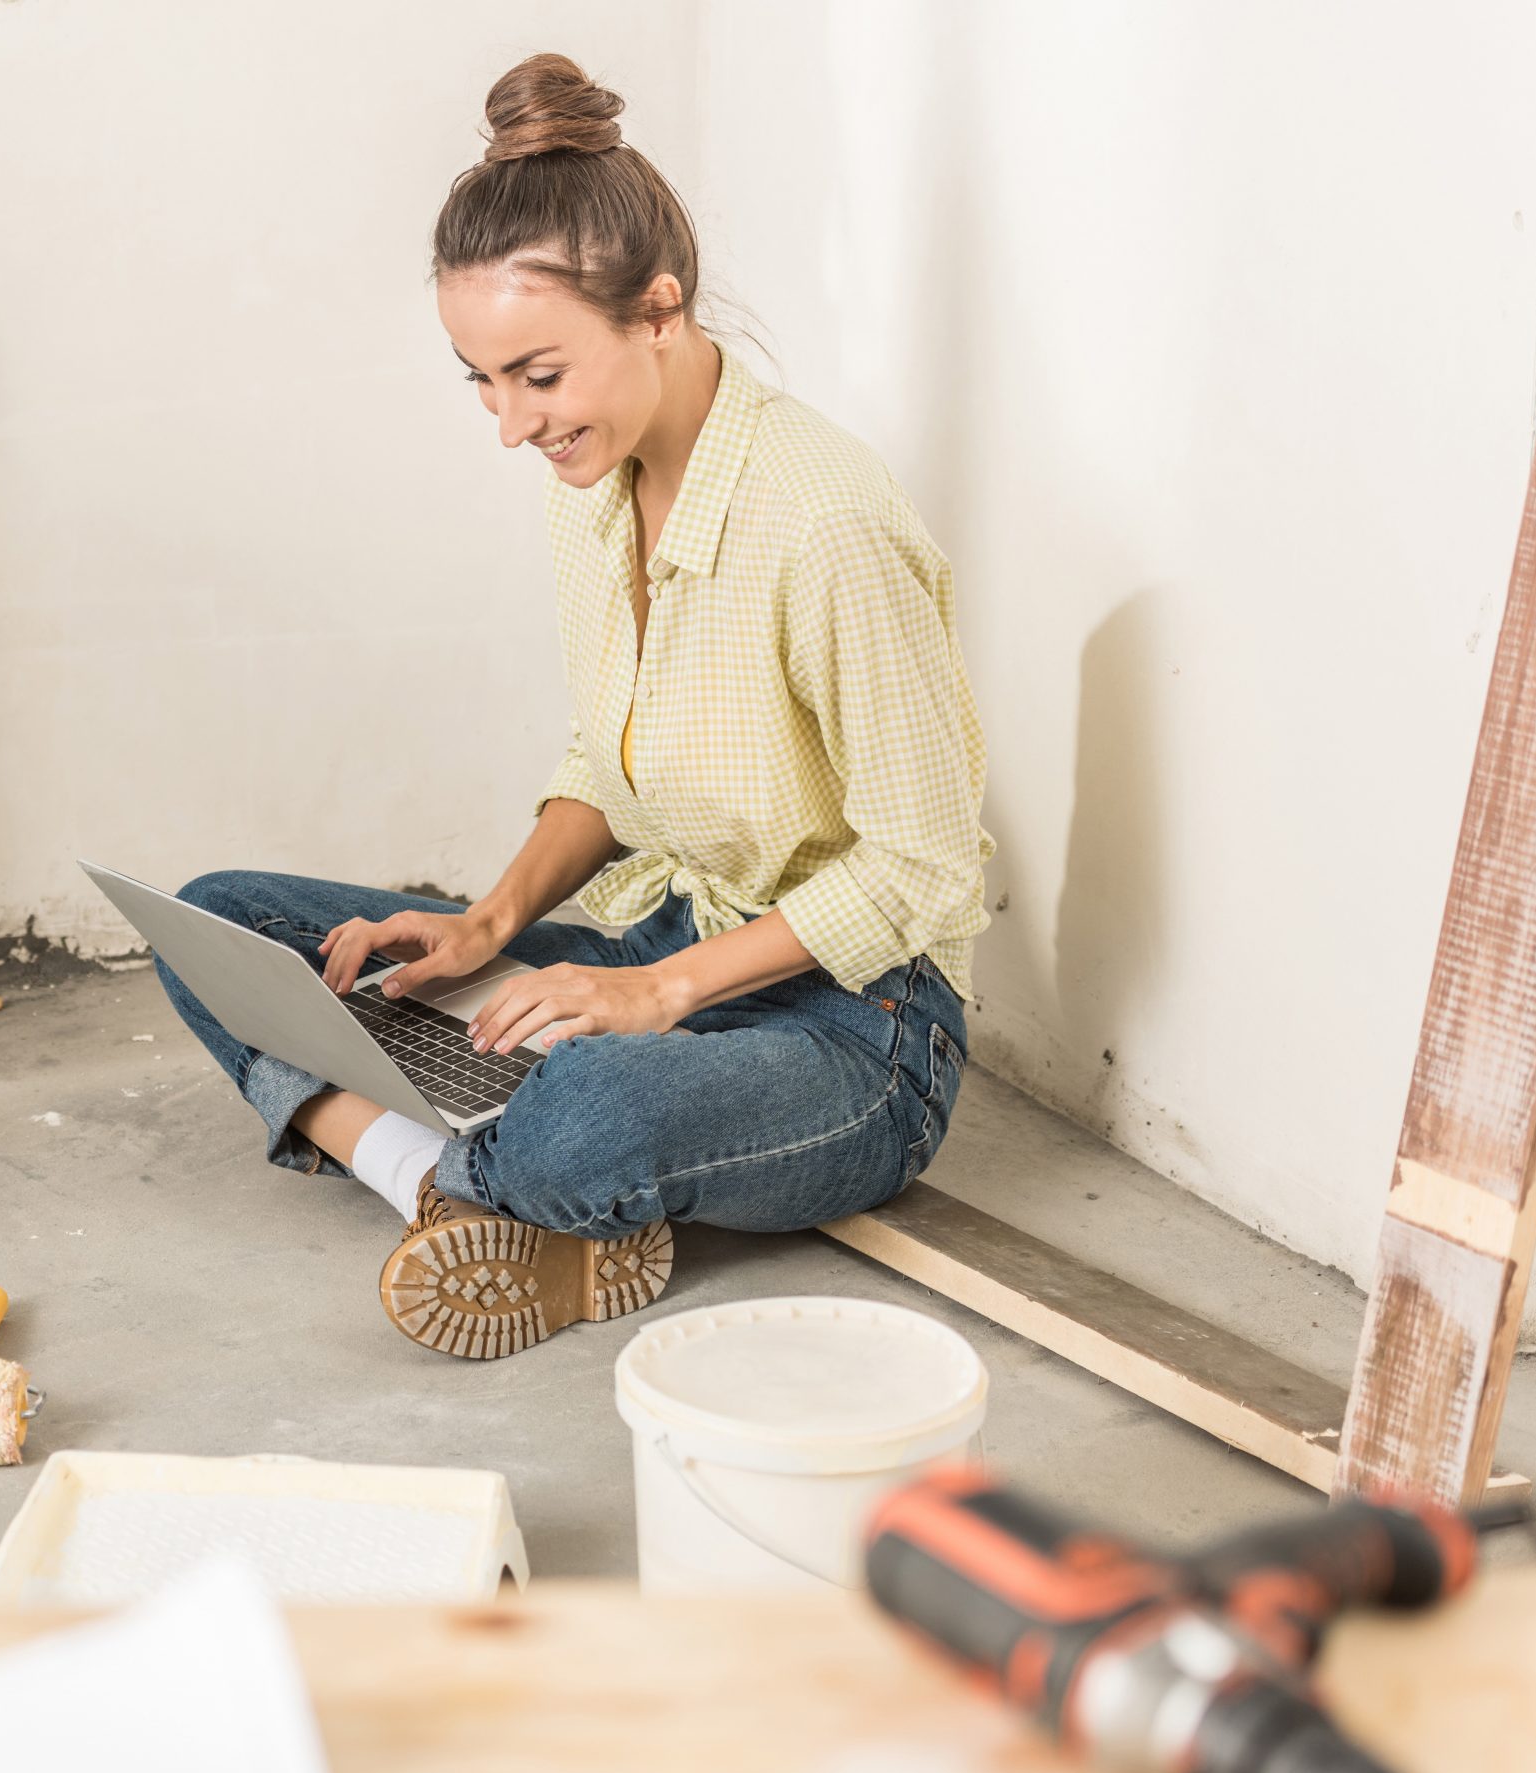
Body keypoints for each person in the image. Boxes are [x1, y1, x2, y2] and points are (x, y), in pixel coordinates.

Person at [157, 53, 994, 1361]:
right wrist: (486, 923)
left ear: (660, 311)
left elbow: (921, 868)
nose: (509, 425)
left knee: (581, 1112)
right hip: (663, 945)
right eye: (480, 380)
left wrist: (658, 996)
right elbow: (609, 763)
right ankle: (436, 1176)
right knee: (224, 925)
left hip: (855, 1031)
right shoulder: (593, 487)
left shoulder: (824, 522)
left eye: (537, 375)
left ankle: (482, 1155)